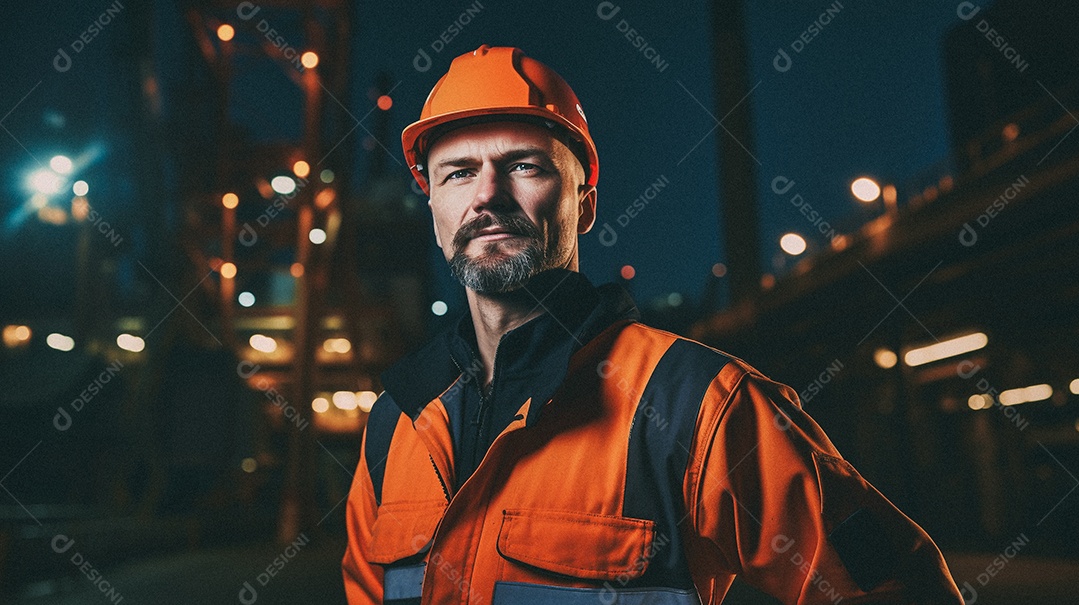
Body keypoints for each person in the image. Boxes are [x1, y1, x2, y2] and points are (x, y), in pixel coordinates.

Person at [342, 45, 964, 605]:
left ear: (584, 203)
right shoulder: (397, 424)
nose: (488, 195)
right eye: (458, 172)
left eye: (526, 166)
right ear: (433, 204)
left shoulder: (698, 403)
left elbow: (897, 586)